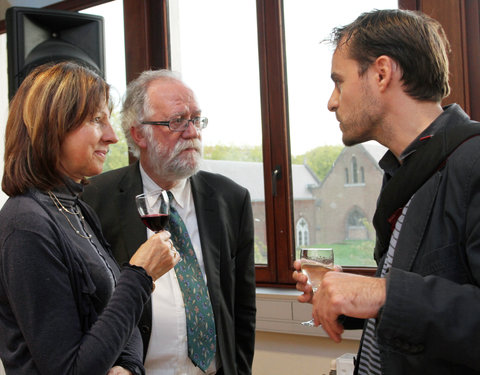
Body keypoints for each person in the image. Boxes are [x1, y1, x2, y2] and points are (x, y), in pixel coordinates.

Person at [293, 9, 480, 375]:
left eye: (339, 82)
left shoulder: (473, 163)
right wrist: (348, 298)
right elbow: (419, 314)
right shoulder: (402, 173)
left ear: (381, 73)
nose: (332, 101)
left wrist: (381, 294)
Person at [0, 62, 180, 375]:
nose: (112, 136)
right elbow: (69, 368)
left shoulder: (78, 209)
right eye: (97, 120)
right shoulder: (25, 223)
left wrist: (128, 367)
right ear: (52, 125)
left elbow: (123, 323)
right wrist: (140, 275)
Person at [82, 69, 256, 375]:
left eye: (197, 119)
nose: (192, 132)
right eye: (176, 121)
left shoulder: (231, 199)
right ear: (138, 134)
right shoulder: (95, 200)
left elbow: (242, 309)